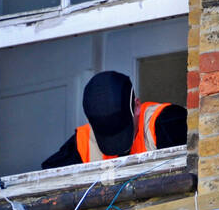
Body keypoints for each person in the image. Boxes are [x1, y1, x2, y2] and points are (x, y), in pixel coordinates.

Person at [41, 70, 187, 169]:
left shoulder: (166, 122)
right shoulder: (83, 143)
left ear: (137, 106)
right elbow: (45, 183)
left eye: (122, 130)